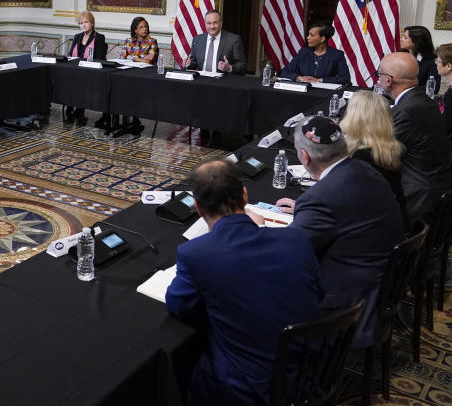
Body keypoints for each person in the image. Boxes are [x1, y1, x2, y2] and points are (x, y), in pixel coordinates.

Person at [165, 160, 322, 405]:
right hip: (310, 371)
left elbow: (179, 306)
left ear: (197, 207)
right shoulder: (296, 238)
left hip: (247, 389)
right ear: (245, 195)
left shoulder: (195, 254)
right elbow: (318, 293)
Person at [275, 117, 404, 347]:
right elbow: (347, 207)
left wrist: (250, 226)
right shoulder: (364, 169)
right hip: (379, 280)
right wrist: (307, 211)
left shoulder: (322, 197)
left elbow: (286, 252)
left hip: (345, 300)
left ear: (304, 156)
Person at [376, 51, 451, 220]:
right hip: (434, 185)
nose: (378, 80)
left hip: (415, 196)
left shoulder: (406, 111)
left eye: (379, 75)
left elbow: (384, 157)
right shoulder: (421, 100)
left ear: (388, 80)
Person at [340, 91, 407, 224]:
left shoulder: (360, 158)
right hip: (392, 224)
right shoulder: (390, 149)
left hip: (369, 231)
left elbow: (347, 207)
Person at [65, 11, 108, 125]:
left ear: (92, 23)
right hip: (76, 70)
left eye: (86, 22)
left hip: (91, 71)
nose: (83, 25)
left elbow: (99, 58)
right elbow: (70, 55)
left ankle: (79, 109)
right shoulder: (77, 36)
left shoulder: (99, 37)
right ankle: (70, 108)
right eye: (81, 23)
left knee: (81, 80)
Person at [117, 17, 157, 134]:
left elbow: (149, 60)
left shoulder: (152, 41)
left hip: (145, 76)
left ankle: (135, 119)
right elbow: (122, 58)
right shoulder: (129, 41)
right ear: (135, 30)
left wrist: (133, 58)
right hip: (128, 74)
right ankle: (118, 118)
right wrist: (141, 58)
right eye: (141, 27)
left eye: (146, 26)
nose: (144, 29)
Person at [280, 22, 350, 84]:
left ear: (322, 39)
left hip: (324, 94)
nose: (307, 38)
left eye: (311, 35)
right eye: (308, 35)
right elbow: (285, 72)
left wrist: (319, 80)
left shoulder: (336, 55)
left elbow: (345, 78)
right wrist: (299, 78)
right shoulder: (303, 52)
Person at [183, 10, 246, 74]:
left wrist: (229, 68)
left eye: (215, 23)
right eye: (209, 23)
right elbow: (193, 63)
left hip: (222, 81)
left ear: (221, 23)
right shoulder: (197, 40)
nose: (212, 26)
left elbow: (242, 66)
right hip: (201, 79)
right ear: (205, 24)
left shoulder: (233, 40)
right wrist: (188, 64)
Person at [401, 25, 439, 93]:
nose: (401, 39)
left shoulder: (431, 61)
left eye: (405, 38)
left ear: (416, 41)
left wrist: (406, 90)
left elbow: (433, 88)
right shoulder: (398, 55)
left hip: (417, 98)